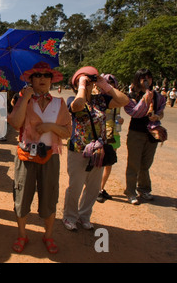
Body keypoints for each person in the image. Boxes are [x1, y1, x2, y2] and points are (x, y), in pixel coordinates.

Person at [8, 62, 71, 254]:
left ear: (52, 80)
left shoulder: (58, 103)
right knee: (22, 196)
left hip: (50, 156)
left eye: (46, 75)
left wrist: (51, 127)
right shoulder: (22, 100)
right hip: (26, 155)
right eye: (38, 75)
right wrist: (25, 98)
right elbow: (15, 124)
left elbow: (67, 132)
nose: (42, 79)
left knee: (49, 196)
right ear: (31, 80)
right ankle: (22, 235)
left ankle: (48, 236)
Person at [63, 66, 129, 231]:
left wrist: (106, 86)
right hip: (78, 150)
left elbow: (124, 101)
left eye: (90, 81)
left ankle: (84, 216)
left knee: (93, 187)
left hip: (98, 151)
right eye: (84, 80)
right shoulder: (72, 98)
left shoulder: (101, 100)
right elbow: (78, 106)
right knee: (75, 186)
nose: (90, 84)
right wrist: (82, 86)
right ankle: (70, 217)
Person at [124, 69, 166, 204]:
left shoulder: (158, 96)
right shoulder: (131, 96)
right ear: (138, 79)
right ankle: (130, 191)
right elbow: (134, 112)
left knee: (145, 164)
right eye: (143, 78)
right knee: (133, 164)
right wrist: (144, 100)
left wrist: (157, 116)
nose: (147, 80)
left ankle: (144, 189)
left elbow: (161, 112)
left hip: (151, 134)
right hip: (136, 133)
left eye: (149, 77)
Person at [97, 74, 124, 203]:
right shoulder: (98, 99)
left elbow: (124, 103)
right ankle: (96, 189)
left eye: (112, 83)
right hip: (102, 134)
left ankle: (101, 188)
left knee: (109, 163)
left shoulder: (117, 100)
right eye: (107, 83)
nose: (109, 85)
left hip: (114, 135)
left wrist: (119, 119)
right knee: (99, 163)